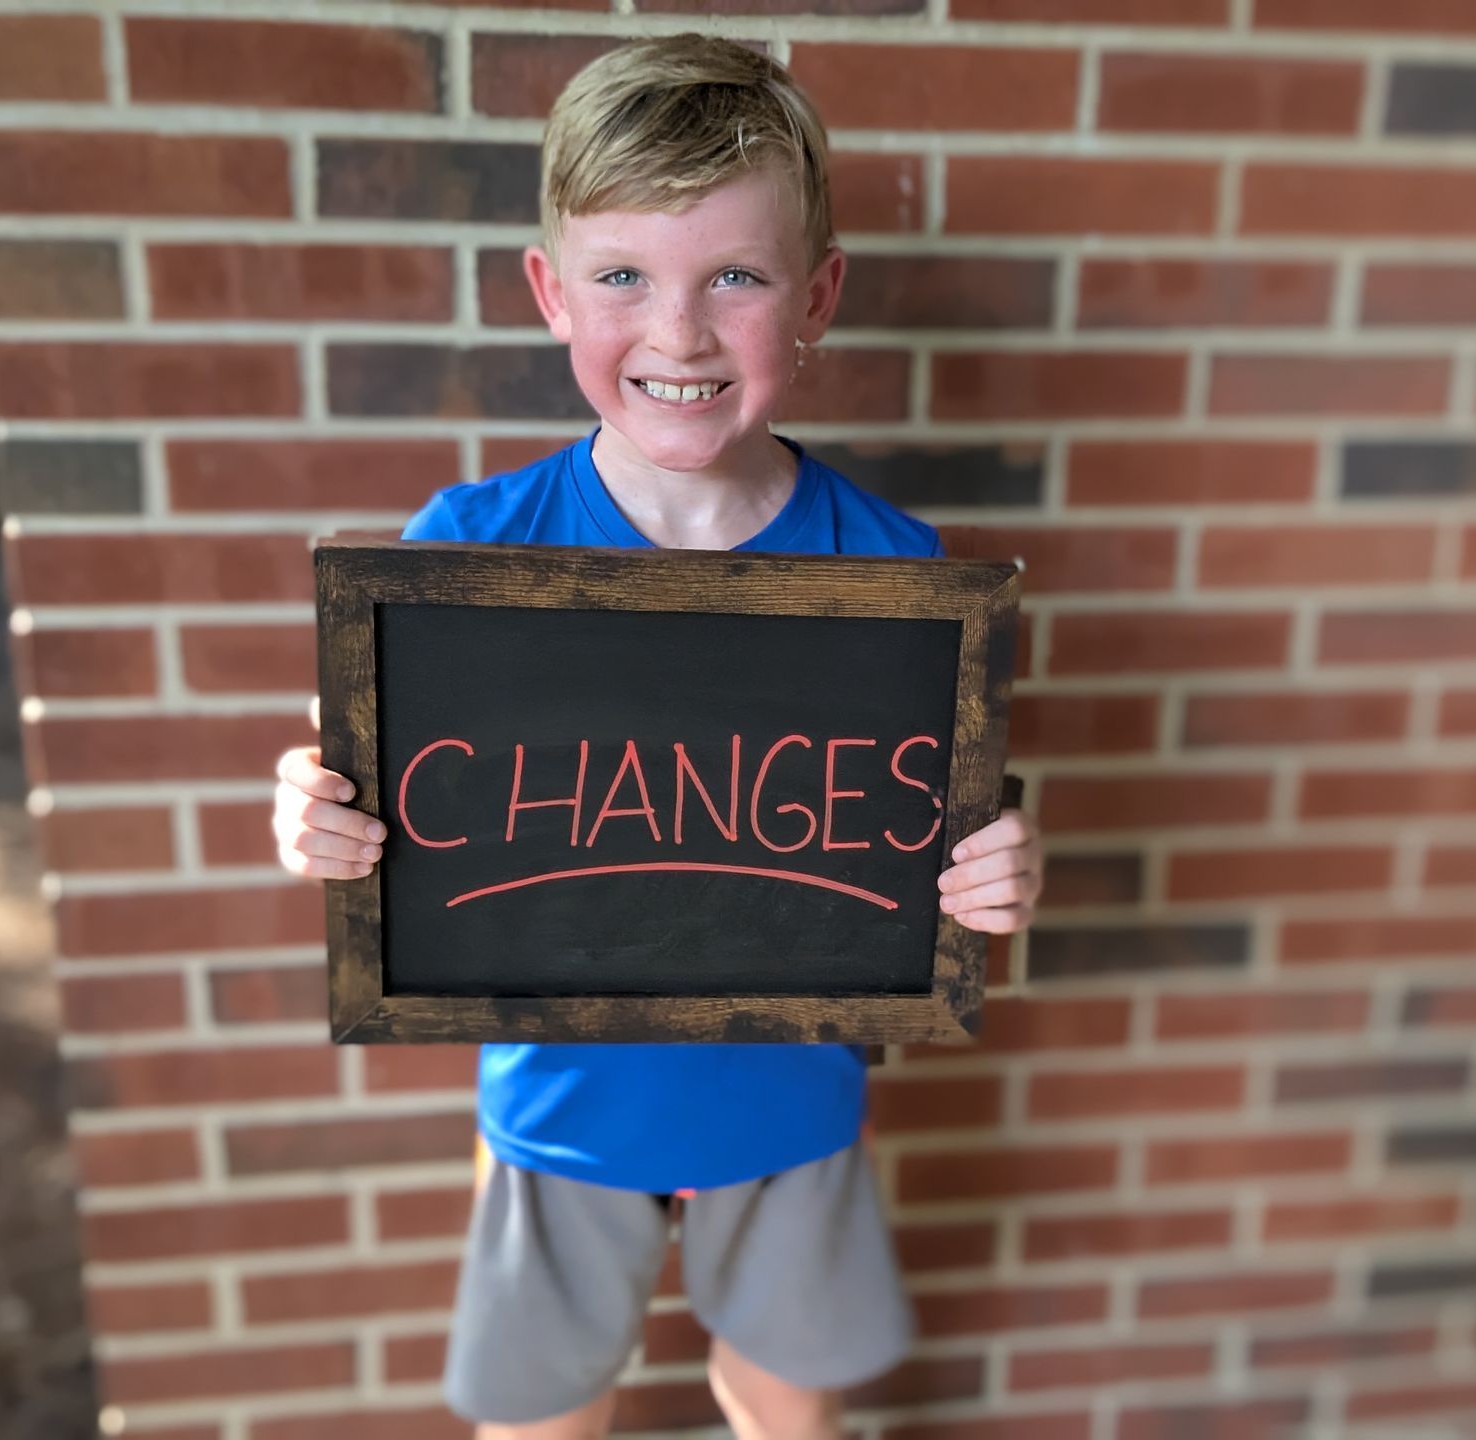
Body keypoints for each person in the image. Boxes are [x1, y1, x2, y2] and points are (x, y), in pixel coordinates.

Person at [270, 35, 1045, 1440]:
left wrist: (994, 875)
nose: (678, 333)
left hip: (791, 1106)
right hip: (563, 1103)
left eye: (734, 277)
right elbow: (371, 794)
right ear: (550, 294)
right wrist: (314, 807)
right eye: (623, 275)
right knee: (545, 1413)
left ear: (815, 298)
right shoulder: (463, 558)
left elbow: (935, 831)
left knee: (785, 1406)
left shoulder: (897, 577)